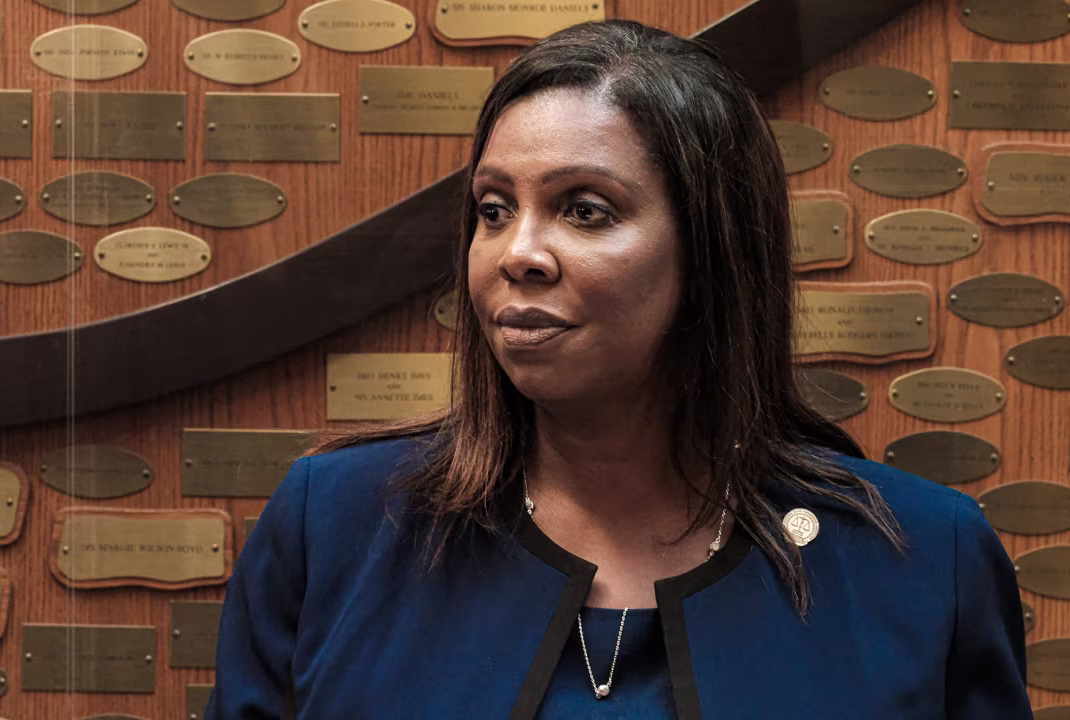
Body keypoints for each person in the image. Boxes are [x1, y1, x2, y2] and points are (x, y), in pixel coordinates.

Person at [205, 20, 1031, 719]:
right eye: (493, 211)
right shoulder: (335, 526)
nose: (517, 252)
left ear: (711, 251)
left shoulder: (925, 560)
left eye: (585, 210)